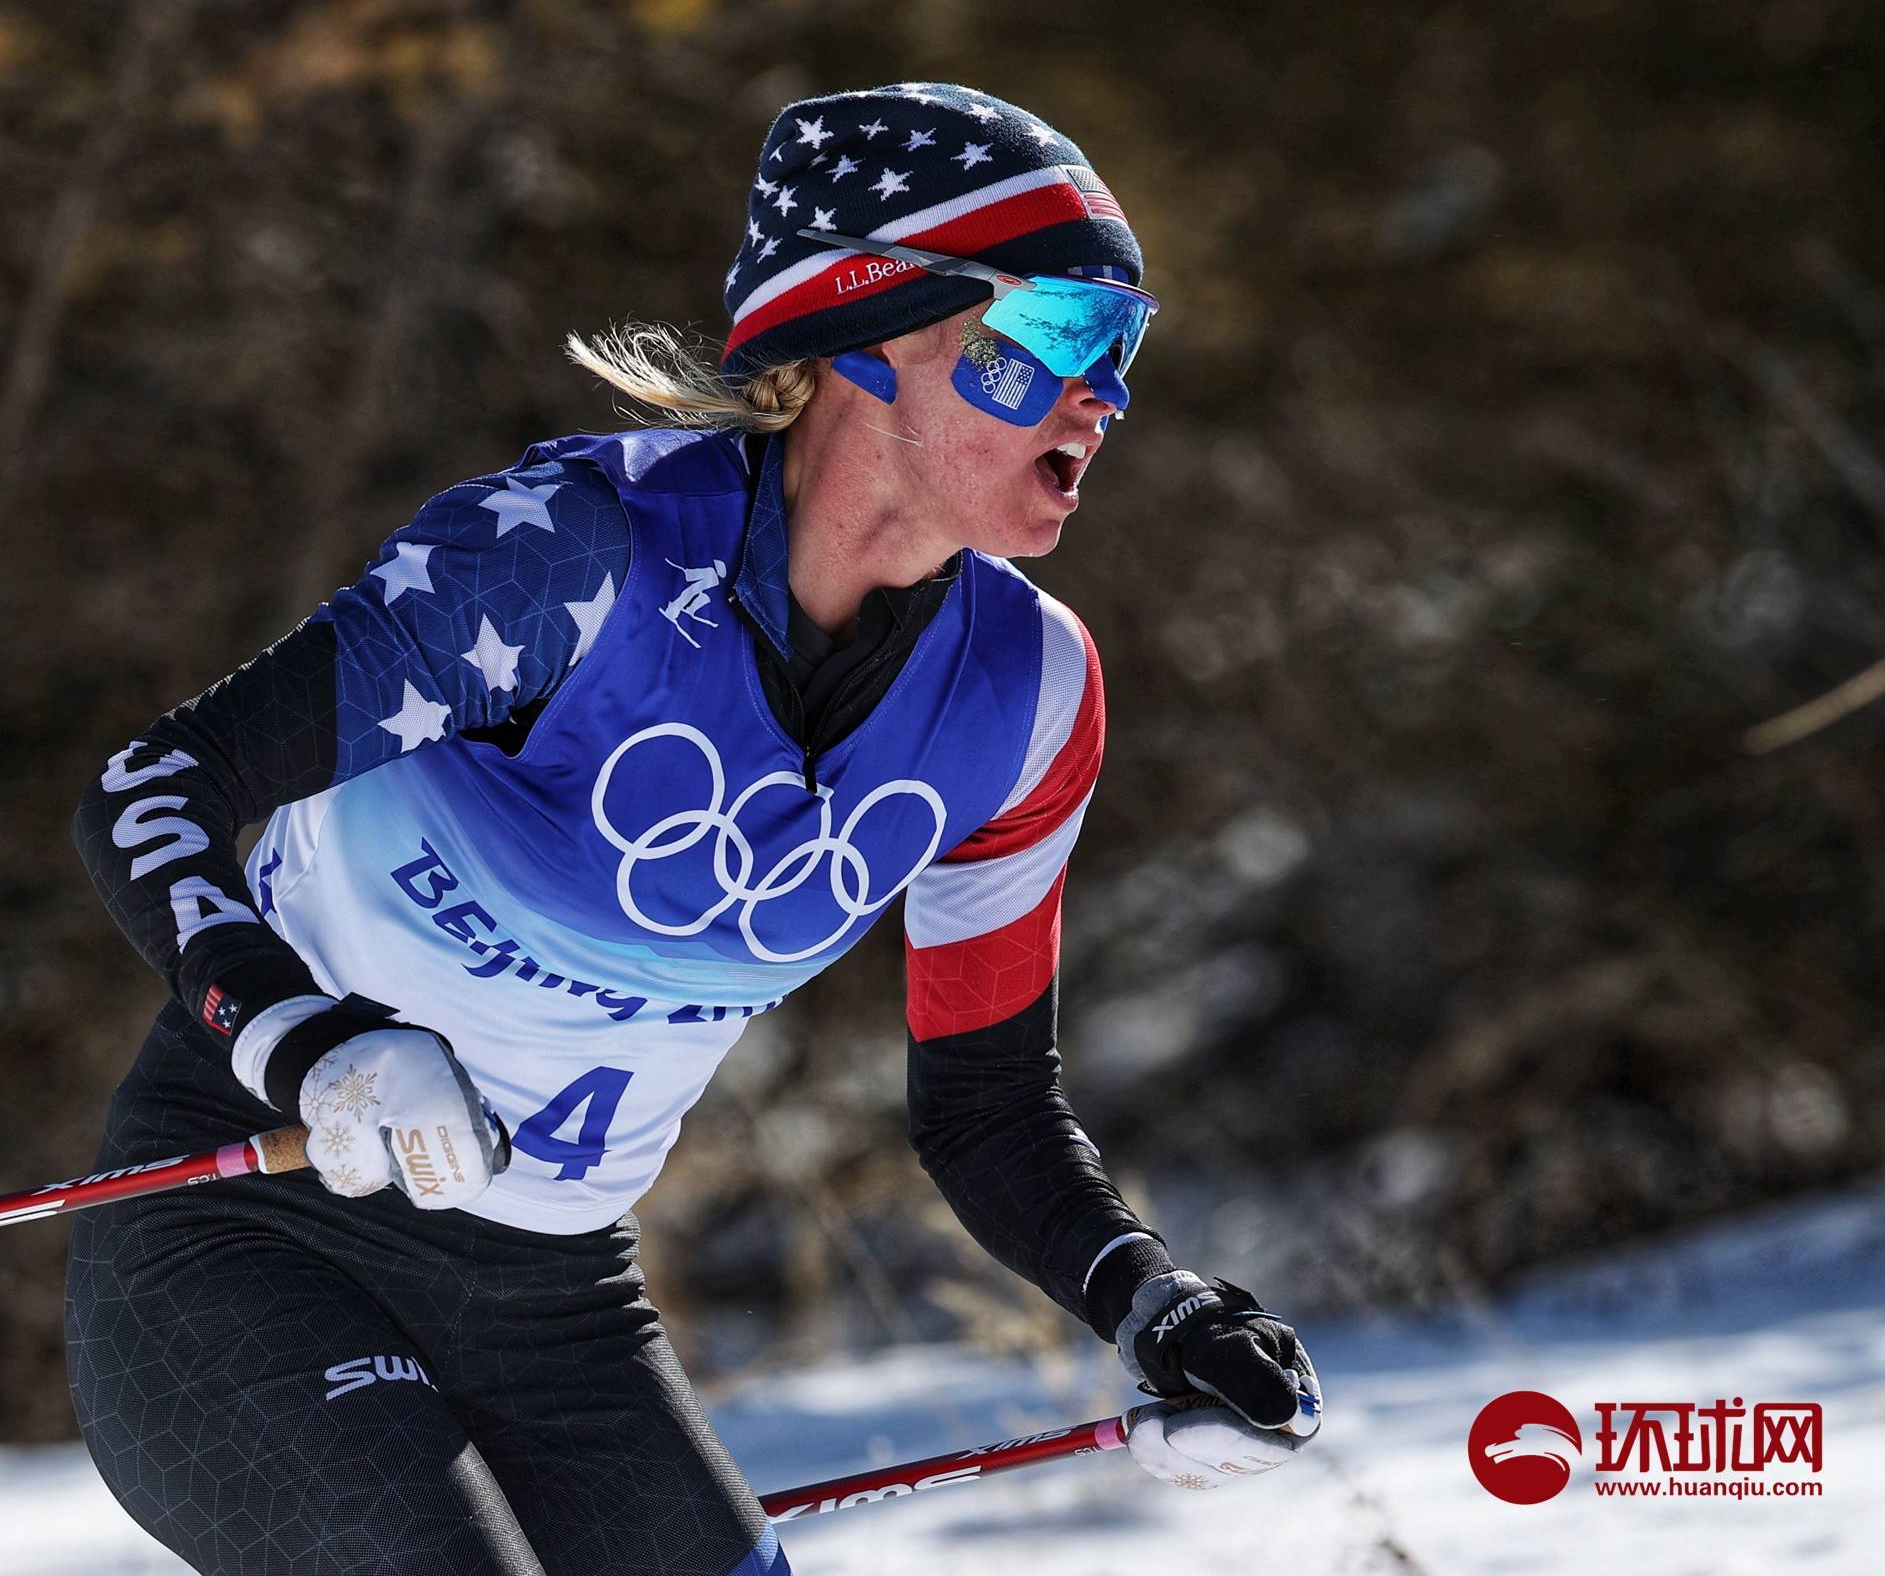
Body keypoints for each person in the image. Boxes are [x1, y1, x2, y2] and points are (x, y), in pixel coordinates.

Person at [64, 81, 1320, 1576]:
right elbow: (151, 785)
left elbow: (984, 1107)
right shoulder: (569, 559)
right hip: (248, 1231)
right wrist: (305, 1036)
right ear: (865, 324)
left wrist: (1156, 1306)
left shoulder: (1028, 696)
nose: (1099, 391)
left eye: (1124, 343)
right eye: (1056, 333)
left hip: (558, 1311)